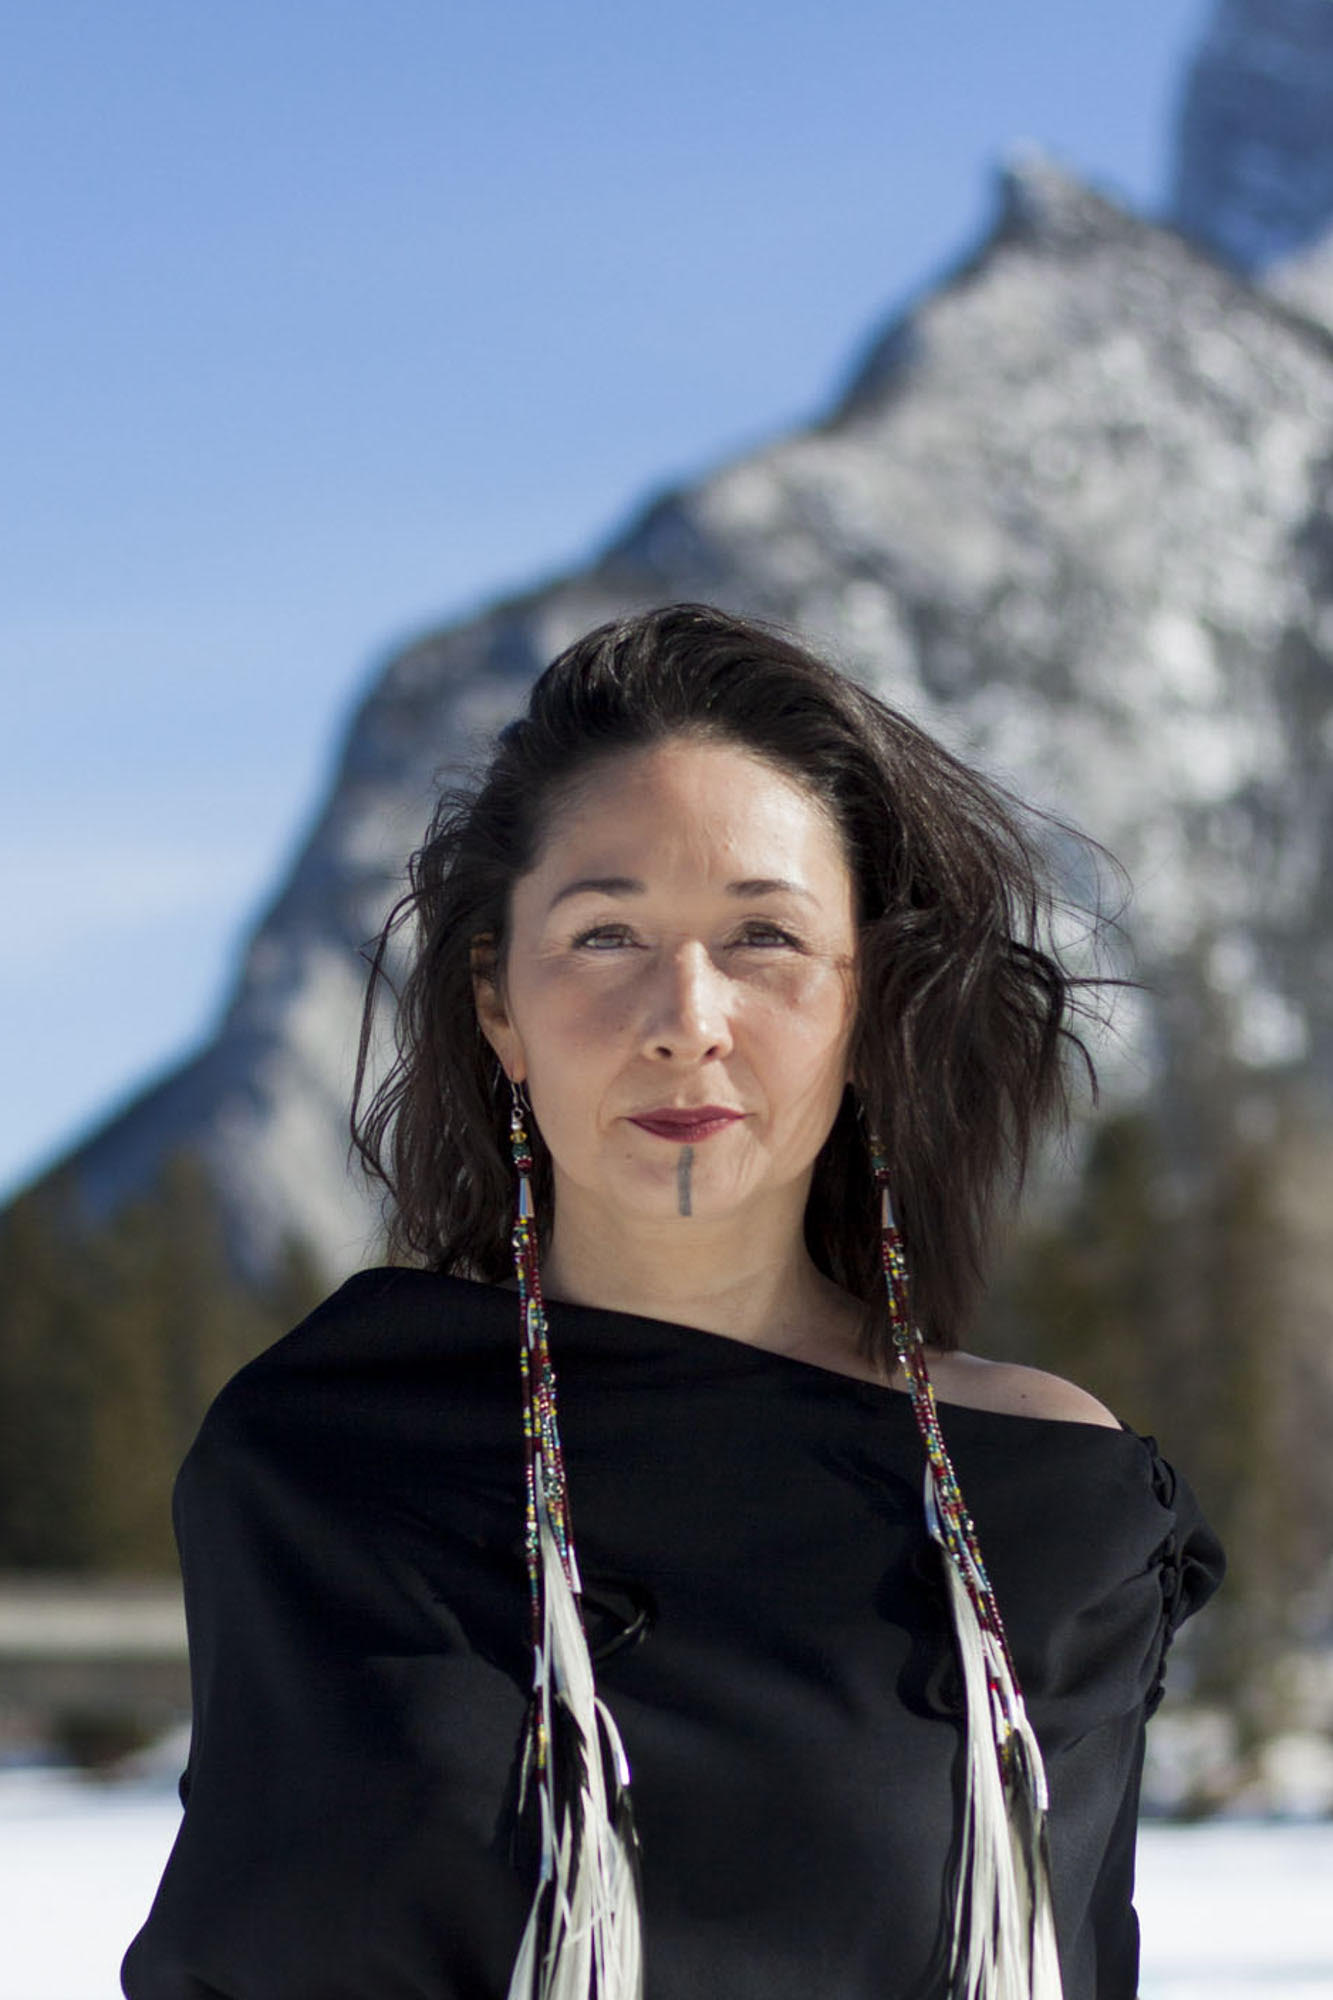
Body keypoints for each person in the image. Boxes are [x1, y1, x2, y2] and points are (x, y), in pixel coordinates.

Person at [122, 603, 1224, 2000]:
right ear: (496, 1006)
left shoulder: (1044, 1499)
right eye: (604, 936)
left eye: (762, 936)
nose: (683, 1015)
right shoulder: (322, 1459)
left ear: (866, 1004)